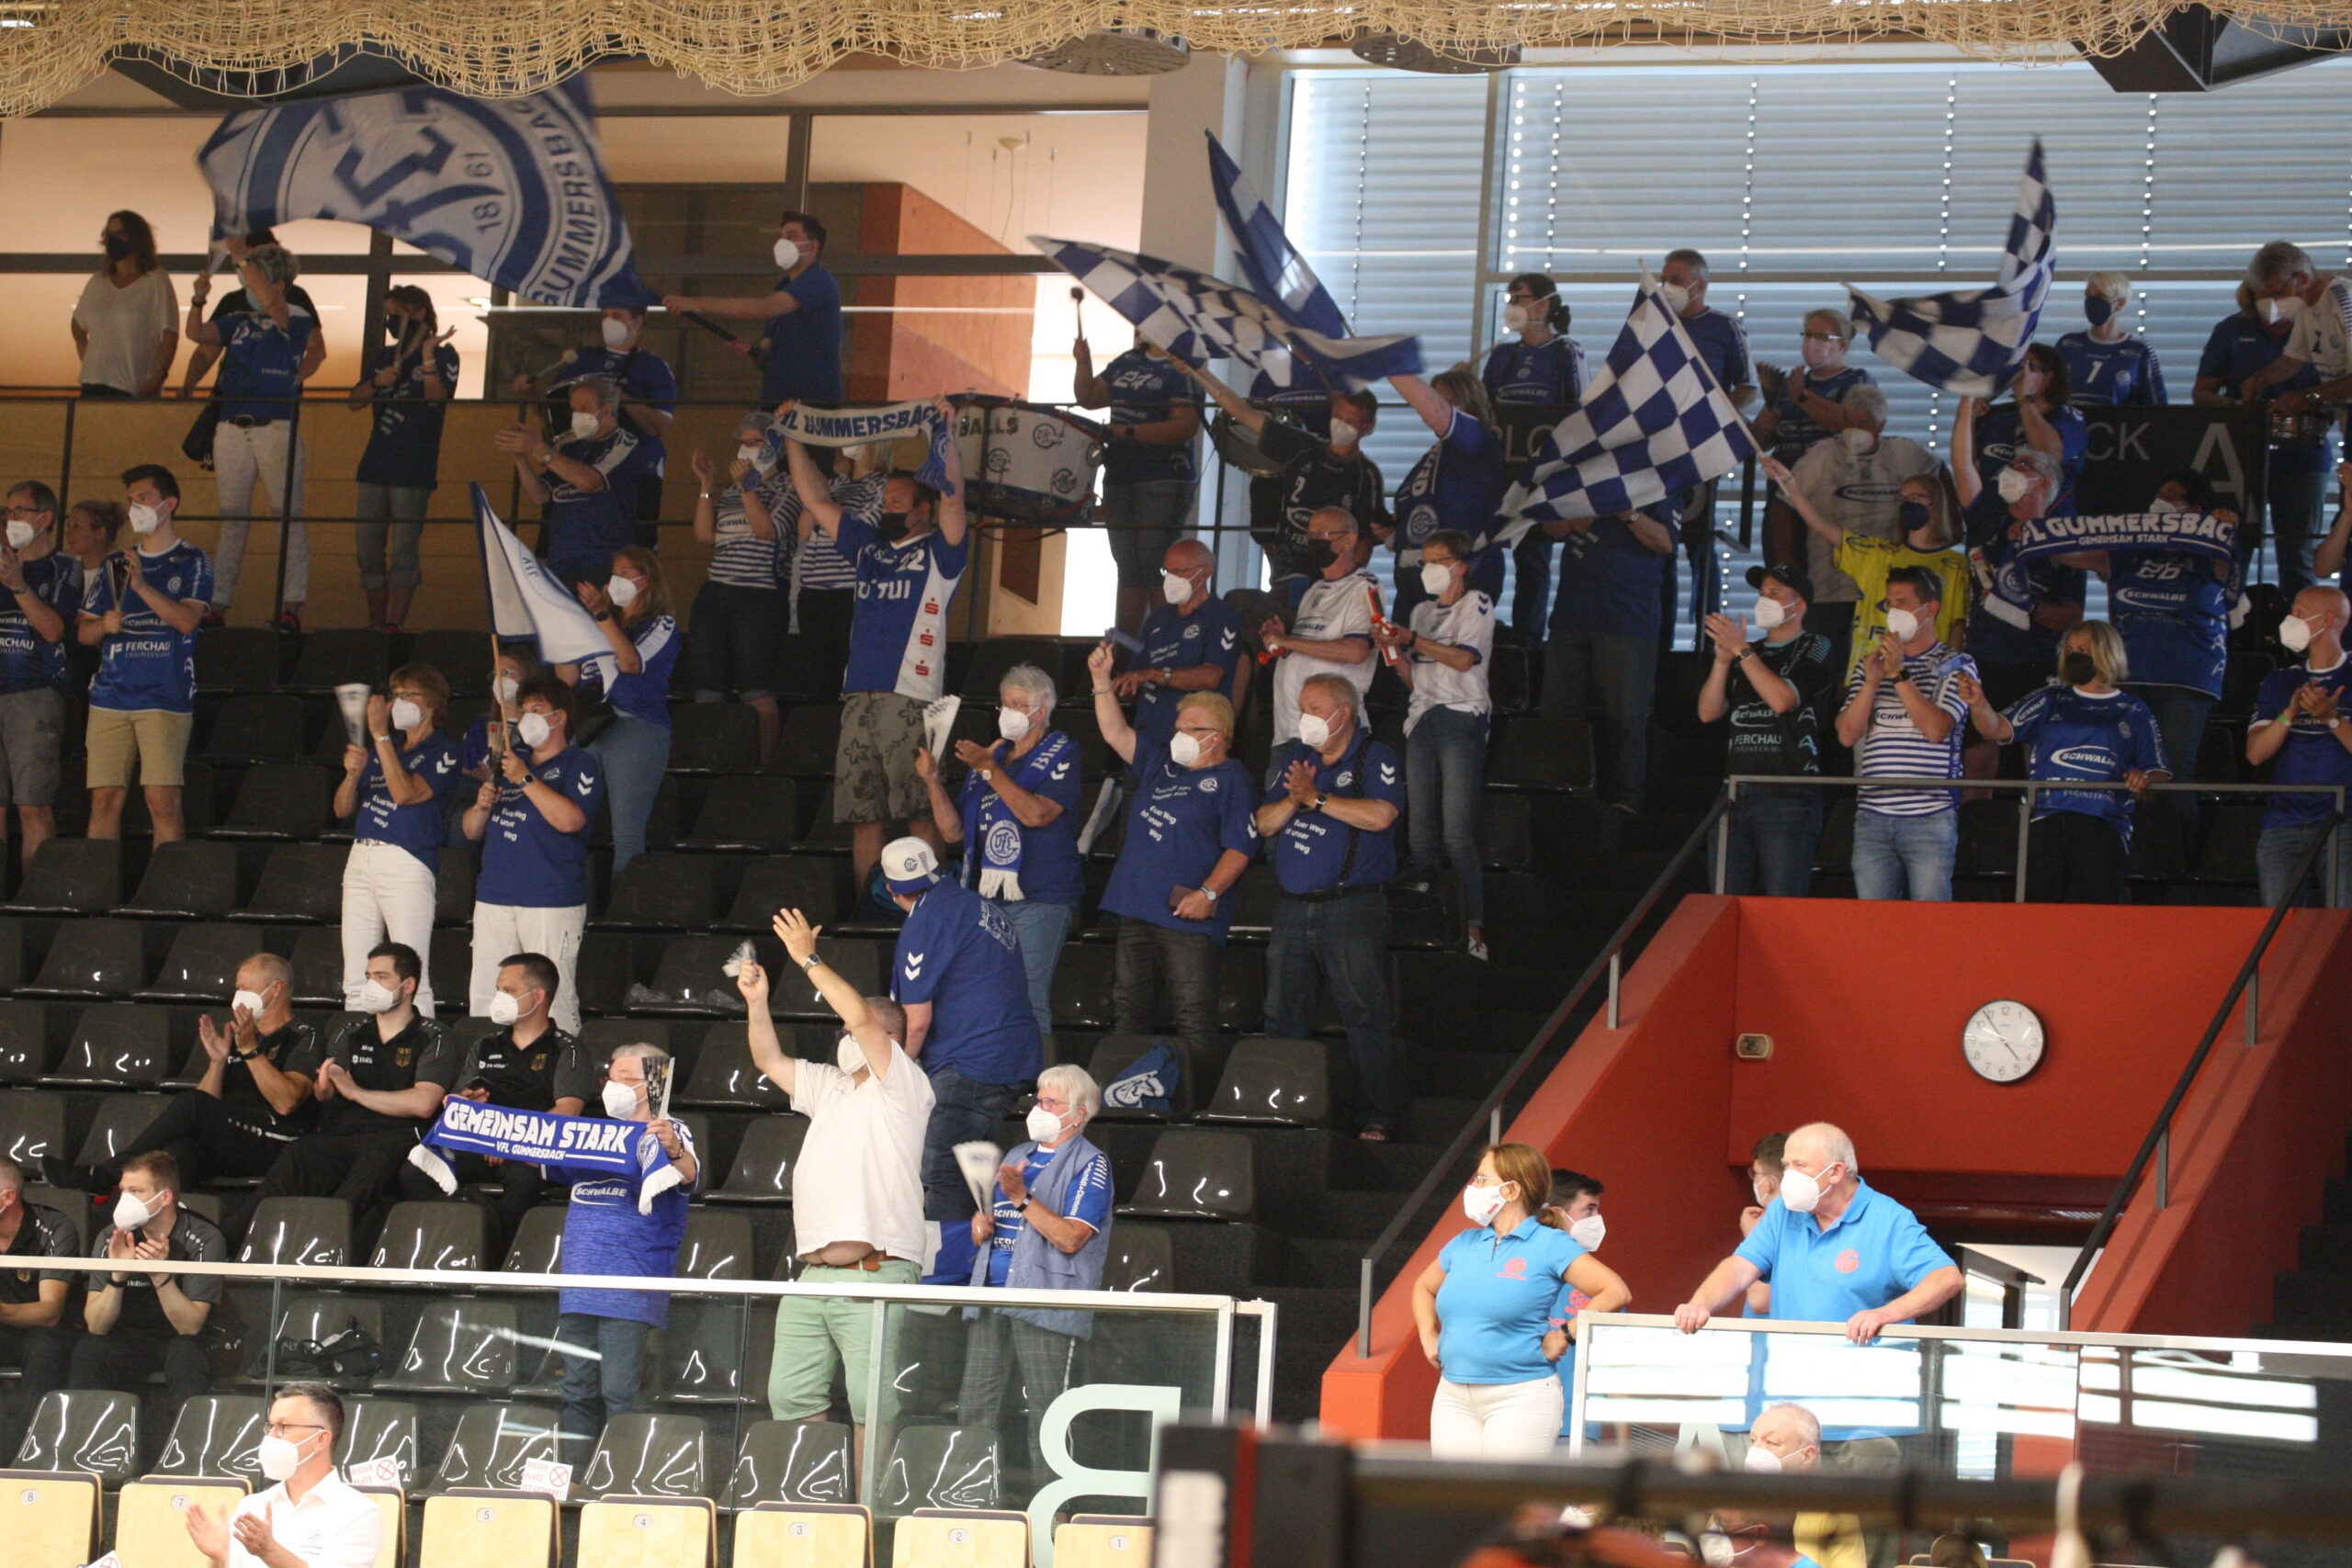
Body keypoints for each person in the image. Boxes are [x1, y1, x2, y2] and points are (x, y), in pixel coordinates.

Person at [749, 910, 931, 1456]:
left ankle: (865, 1504)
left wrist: (808, 959)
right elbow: (767, 1058)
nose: (845, 1038)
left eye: (851, 1031)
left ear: (888, 1038)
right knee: (791, 1396)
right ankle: (812, 1497)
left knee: (871, 1404)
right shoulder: (829, 1085)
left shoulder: (904, 1085)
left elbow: (861, 1021)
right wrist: (757, 1001)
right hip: (813, 1275)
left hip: (877, 1272)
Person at [783, 400, 969, 898]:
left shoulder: (940, 553)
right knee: (863, 815)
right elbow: (816, 497)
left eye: (897, 501)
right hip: (858, 695)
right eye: (884, 500)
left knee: (918, 810)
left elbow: (954, 497)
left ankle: (934, 909)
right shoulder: (869, 548)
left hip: (910, 695)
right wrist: (793, 435)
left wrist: (944, 437)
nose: (886, 507)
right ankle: (867, 908)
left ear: (922, 510)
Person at [878, 836, 1045, 1285]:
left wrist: (890, 1081)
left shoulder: (925, 921)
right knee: (972, 1178)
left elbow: (915, 1023)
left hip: (970, 1062)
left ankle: (942, 1286)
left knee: (942, 1173)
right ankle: (976, 1278)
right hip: (1009, 1056)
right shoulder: (978, 906)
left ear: (891, 890)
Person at [1089, 650, 1259, 1059]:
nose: (1178, 734)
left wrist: (1208, 894)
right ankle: (1124, 1090)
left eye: (1190, 728)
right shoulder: (1161, 764)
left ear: (1217, 735)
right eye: (1177, 727)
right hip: (1136, 906)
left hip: (1186, 914)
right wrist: (1100, 681)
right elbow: (1116, 733)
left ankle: (1196, 1094)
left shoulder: (1232, 778)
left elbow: (1242, 846)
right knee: (1128, 1010)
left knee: (1192, 1015)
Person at [1256, 673, 1405, 1139]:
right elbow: (1264, 824)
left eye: (1316, 708)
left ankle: (1376, 1116)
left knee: (1363, 1011)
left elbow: (1381, 815)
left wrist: (1316, 799)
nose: (1307, 717)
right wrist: (1295, 799)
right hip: (1292, 908)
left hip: (1351, 907)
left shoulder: (1375, 756)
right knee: (1282, 1013)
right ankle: (1282, 1113)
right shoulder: (1297, 759)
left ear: (1345, 713)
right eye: (1303, 708)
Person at [1411, 1144, 1621, 1461]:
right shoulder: (1464, 1243)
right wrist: (1428, 1334)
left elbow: (1614, 1291)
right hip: (1453, 1392)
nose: (1474, 1187)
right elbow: (1423, 1288)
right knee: (1455, 1490)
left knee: (1504, 1491)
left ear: (1511, 1190)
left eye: (1482, 1180)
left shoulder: (1550, 1243)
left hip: (1521, 1394)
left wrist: (1563, 1335)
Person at [2061, 471, 2238, 843]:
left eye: (2171, 496)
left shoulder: (2210, 546)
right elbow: (2070, 552)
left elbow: (2226, 574)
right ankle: (2126, 851)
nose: (2160, 502)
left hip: (2185, 677)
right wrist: (2032, 533)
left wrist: (2223, 533)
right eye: (2158, 494)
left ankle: (2177, 859)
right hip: (2127, 675)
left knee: (2170, 772)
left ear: (2195, 508)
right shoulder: (2132, 547)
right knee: (2121, 769)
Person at [42, 953, 318, 1194]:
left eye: (245, 988)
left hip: (274, 1142)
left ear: (276, 989)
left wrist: (250, 1050)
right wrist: (217, 1063)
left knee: (190, 1103)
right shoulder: (243, 1036)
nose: (238, 996)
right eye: (237, 988)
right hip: (232, 1139)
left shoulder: (304, 1036)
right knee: (176, 1156)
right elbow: (206, 1104)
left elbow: (286, 1102)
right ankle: (144, 1225)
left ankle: (107, 1174)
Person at [547, 1043, 698, 1467]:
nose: (614, 1086)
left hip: (630, 1284)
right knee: (575, 1389)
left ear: (654, 1083)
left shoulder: (670, 1129)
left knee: (620, 1391)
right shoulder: (589, 1134)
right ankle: (576, 1477)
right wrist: (473, 1119)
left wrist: (673, 1149)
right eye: (610, 1078)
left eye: (626, 1078)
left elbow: (689, 1174)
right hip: (578, 1281)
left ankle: (627, 1477)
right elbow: (535, 1150)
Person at [960, 1062, 1114, 1471]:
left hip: (1045, 1301)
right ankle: (969, 1497)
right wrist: (982, 1228)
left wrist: (1022, 1199)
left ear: (1078, 1113)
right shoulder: (1018, 1155)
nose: (1038, 1108)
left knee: (1049, 1412)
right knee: (975, 1405)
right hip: (991, 1296)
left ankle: (1053, 1503)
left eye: (1050, 1102)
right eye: (1038, 1099)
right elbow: (1001, 1225)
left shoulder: (1091, 1163)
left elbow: (1071, 1237)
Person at [1673, 1122, 1962, 1342]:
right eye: (1787, 1166)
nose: (1789, 1176)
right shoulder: (1783, 1212)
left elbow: (1946, 1278)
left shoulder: (1888, 1219)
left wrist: (1885, 1315)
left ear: (1836, 1172)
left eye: (1800, 1166)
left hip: (1865, 1382)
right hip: (1790, 1377)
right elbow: (1739, 1268)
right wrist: (1700, 1304)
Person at [254, 943, 455, 1255]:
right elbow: (328, 1090)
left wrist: (357, 1092)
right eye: (369, 976)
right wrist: (325, 1087)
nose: (371, 985)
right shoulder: (349, 1031)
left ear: (408, 985)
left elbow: (424, 1103)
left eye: (382, 977)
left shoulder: (434, 1035)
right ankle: (240, 1239)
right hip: (345, 1134)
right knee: (300, 1153)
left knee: (374, 1163)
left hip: (399, 1138)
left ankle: (319, 1246)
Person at [916, 663, 1082, 1036]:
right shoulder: (992, 757)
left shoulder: (1061, 753)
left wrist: (989, 770)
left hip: (1040, 895)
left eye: (1018, 704)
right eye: (1004, 703)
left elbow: (1037, 814)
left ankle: (1036, 1072)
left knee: (1027, 995)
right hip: (985, 898)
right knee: (984, 994)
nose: (1007, 712)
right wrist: (932, 782)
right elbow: (953, 832)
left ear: (1041, 710)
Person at [1958, 621, 2168, 904]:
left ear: (2107, 652)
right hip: (2046, 818)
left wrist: (2144, 778)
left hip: (2104, 822)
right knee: (2040, 911)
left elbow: (2158, 769)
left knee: (2098, 912)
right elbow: (1995, 729)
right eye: (2069, 650)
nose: (2074, 656)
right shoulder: (2050, 698)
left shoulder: (2134, 710)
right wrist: (1978, 703)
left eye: (2083, 650)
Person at [400, 953, 588, 1258]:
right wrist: (460, 1102)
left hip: (530, 1151)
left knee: (523, 1181)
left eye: (509, 990)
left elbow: (569, 1110)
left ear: (538, 995)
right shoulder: (485, 1045)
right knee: (416, 1171)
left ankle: (498, 1260)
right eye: (499, 989)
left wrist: (509, 1141)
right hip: (480, 1143)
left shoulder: (567, 1049)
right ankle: (467, 1232)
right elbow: (458, 1100)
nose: (500, 997)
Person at [183, 242, 318, 629]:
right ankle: (218, 605)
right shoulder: (239, 319)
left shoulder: (296, 315)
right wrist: (198, 299)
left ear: (277, 284)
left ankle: (291, 605)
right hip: (231, 425)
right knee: (232, 518)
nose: (245, 284)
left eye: (253, 277)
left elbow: (276, 308)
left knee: (285, 514)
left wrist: (242, 258)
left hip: (276, 425)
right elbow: (197, 333)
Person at [1374, 528, 1496, 958]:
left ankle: (1473, 931)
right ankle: (1428, 925)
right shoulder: (1421, 611)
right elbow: (1415, 678)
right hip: (1421, 717)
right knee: (1420, 837)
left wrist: (1410, 639)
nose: (1428, 570)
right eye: (1423, 562)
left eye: (1437, 562)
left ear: (1459, 566)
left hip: (1461, 715)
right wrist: (1393, 652)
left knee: (1456, 835)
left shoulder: (1476, 602)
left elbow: (1464, 659)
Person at [463, 675, 603, 1032]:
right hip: (494, 894)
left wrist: (526, 779)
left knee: (554, 997)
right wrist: (481, 807)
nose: (527, 718)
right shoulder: (509, 761)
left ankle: (561, 1064)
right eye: (524, 710)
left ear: (560, 716)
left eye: (537, 710)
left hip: (549, 898)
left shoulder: (579, 763)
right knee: (488, 993)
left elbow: (571, 821)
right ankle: (488, 1060)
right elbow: (471, 832)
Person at [81, 463, 210, 844]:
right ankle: (99, 881)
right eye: (131, 499)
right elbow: (84, 633)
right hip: (109, 695)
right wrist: (102, 626)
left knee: (162, 800)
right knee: (104, 799)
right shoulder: (113, 563)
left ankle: (166, 882)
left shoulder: (193, 559)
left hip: (164, 696)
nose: (135, 506)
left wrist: (141, 586)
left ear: (169, 504)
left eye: (143, 498)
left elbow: (187, 621)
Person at [1772, 386, 1940, 675]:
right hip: (1829, 587)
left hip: (1885, 593)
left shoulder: (1904, 453)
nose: (1854, 429)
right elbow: (1783, 505)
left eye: (1863, 423)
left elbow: (1939, 484)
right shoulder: (1822, 454)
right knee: (1822, 671)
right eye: (1848, 421)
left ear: (1880, 426)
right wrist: (1788, 569)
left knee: (1881, 670)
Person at [1835, 568, 1974, 901]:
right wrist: (1871, 682)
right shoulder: (1870, 664)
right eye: (1890, 603)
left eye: (1903, 602)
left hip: (1929, 815)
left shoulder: (1955, 663)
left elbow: (1937, 730)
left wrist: (1898, 673)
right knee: (1874, 920)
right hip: (1872, 814)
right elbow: (1847, 735)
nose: (1894, 611)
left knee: (1928, 920)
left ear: (1930, 608)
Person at [1698, 565, 1838, 897]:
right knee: (1725, 899)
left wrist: (1742, 651)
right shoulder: (1749, 652)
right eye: (1761, 594)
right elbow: (1708, 712)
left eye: (1774, 594)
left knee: (1782, 901)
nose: (1764, 600)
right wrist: (1722, 661)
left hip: (1788, 790)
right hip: (1735, 788)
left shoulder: (1815, 645)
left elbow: (1782, 699)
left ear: (1799, 605)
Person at [1187, 364, 1387, 592]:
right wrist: (1200, 372)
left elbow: (1365, 541)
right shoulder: (1301, 446)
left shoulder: (1366, 474)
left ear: (1368, 427)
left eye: (1350, 422)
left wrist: (1348, 585)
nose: (1341, 425)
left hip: (1334, 576)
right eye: (1338, 417)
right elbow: (1242, 412)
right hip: (1289, 568)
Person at [2198, 270, 2334, 597]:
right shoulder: (2231, 330)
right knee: (2233, 546)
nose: (2273, 303)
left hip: (2304, 453)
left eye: (2280, 294)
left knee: (2297, 551)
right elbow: (2202, 394)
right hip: (2241, 452)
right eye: (2265, 295)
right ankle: (2228, 622)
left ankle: (2300, 626)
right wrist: (2241, 406)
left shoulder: (2318, 325)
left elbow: (2335, 390)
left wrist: (2305, 402)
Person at [334, 665, 461, 1016]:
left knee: (412, 971)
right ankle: (356, 1042)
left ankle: (422, 1044)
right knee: (356, 974)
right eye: (396, 695)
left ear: (432, 703)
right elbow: (342, 808)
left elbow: (405, 794)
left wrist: (380, 735)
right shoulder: (385, 749)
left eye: (409, 694)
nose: (399, 702)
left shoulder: (444, 750)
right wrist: (352, 775)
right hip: (362, 856)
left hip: (406, 860)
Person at [1539, 502, 1679, 817]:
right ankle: (1556, 794)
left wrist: (1627, 511)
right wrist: (1574, 519)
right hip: (1570, 617)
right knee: (1557, 714)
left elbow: (1665, 542)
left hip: (1627, 621)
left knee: (1625, 716)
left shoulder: (1656, 485)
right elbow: (1548, 527)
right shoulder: (1583, 481)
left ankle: (1625, 800)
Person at [70, 1151, 224, 1419]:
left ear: (164, 1197)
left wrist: (160, 1276)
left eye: (136, 1191)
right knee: (90, 1348)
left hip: (179, 1340)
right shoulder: (111, 1237)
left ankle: (186, 1439)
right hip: (129, 1336)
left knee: (186, 1351)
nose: (125, 1200)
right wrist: (118, 1275)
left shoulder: (204, 1238)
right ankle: (84, 1436)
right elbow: (96, 1324)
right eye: (123, 1191)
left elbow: (190, 1326)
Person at [1952, 413, 2086, 712]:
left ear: (2044, 482)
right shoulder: (1988, 522)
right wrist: (1967, 402)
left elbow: (2071, 616)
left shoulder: (2064, 540)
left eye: (2022, 467)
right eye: (2009, 467)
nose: (2010, 472)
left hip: (2036, 664)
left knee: (2030, 741)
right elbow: (1962, 467)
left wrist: (2027, 606)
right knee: (1979, 741)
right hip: (1981, 661)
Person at [347, 285, 458, 633]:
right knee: (367, 551)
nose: (391, 320)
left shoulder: (444, 354)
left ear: (419, 312)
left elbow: (436, 399)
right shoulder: (384, 355)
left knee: (404, 552)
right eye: (388, 314)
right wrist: (377, 383)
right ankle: (375, 624)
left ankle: (394, 625)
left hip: (414, 467)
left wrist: (427, 355)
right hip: (375, 464)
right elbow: (354, 401)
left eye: (397, 313)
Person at [1074, 331, 1202, 633]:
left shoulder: (1181, 367)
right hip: (1120, 475)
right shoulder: (1126, 361)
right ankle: (1126, 648)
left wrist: (1129, 433)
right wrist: (1083, 362)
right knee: (1128, 566)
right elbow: (1088, 398)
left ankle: (1167, 642)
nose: (1139, 327)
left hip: (1163, 475)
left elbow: (1185, 426)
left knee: (1155, 563)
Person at [513, 304, 677, 537]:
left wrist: (619, 396)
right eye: (605, 316)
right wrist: (531, 394)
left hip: (634, 469)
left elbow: (660, 426)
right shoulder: (583, 359)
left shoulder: (653, 366)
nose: (609, 321)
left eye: (617, 315)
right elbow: (553, 412)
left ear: (638, 321)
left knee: (631, 540)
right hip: (577, 458)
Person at [1481, 274, 1584, 640]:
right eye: (1510, 299)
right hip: (1500, 471)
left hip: (1540, 475)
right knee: (1484, 552)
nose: (1513, 306)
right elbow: (1484, 411)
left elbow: (1577, 413)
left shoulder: (1565, 352)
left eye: (1520, 298)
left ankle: (1528, 641)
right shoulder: (1502, 355)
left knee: (1532, 559)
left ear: (1544, 304)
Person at [564, 546, 677, 878]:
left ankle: (621, 905)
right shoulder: (597, 624)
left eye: (625, 573)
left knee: (626, 834)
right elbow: (568, 679)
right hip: (588, 728)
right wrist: (565, 631)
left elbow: (630, 663)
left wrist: (603, 617)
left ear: (646, 579)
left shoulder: (660, 623)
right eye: (614, 573)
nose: (616, 580)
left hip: (634, 726)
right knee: (565, 823)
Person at [1660, 249, 1758, 630]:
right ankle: (1661, 631)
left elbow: (1748, 387)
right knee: (1661, 540)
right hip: (1657, 446)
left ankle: (1709, 630)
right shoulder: (1653, 323)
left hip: (1703, 446)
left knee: (1698, 539)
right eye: (1664, 278)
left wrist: (1712, 419)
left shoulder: (1723, 326)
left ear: (1699, 285)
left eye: (1676, 280)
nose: (1667, 286)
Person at [183, 1382, 380, 1568]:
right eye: (270, 1427)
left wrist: (270, 1551)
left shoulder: (358, 1512)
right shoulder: (252, 1506)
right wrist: (219, 1558)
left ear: (321, 1439)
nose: (271, 1436)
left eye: (284, 1427)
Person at [687, 413, 791, 762]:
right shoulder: (733, 490)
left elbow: (767, 531)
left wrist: (749, 487)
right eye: (743, 443)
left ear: (775, 446)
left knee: (756, 688)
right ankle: (708, 760)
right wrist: (707, 483)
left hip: (759, 595)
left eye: (755, 442)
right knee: (707, 686)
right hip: (716, 590)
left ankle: (765, 765)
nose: (747, 449)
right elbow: (705, 534)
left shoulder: (787, 486)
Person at [665, 210, 843, 407]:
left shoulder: (819, 281)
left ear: (813, 246)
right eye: (781, 237)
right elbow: (766, 360)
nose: (782, 243)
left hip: (811, 407)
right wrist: (753, 352)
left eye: (792, 236)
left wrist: (696, 303)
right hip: (776, 402)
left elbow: (761, 309)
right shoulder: (783, 289)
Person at [2246, 586, 2352, 908]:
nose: (2290, 619)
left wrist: (2331, 718)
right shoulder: (2279, 681)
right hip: (2283, 822)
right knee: (2279, 926)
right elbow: (2255, 754)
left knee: (2342, 925)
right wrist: (2289, 713)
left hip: (2345, 822)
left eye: (2300, 613)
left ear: (2328, 619)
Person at [496, 377, 654, 588]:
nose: (577, 414)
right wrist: (521, 458)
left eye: (584, 408)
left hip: (603, 561)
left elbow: (590, 482)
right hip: (560, 561)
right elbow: (540, 496)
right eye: (574, 409)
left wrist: (538, 448)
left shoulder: (625, 442)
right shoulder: (567, 447)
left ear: (606, 409)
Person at [1380, 367, 1510, 621]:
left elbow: (1437, 413)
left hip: (1460, 572)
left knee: (1447, 646)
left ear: (1466, 402)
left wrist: (1389, 364)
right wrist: (1392, 528)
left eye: (1444, 399)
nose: (1433, 405)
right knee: (1403, 645)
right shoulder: (1438, 452)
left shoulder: (1476, 439)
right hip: (1414, 576)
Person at [0, 480, 83, 871]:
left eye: (20, 511)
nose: (11, 518)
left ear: (45, 518)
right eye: (8, 512)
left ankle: (35, 896)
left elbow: (53, 629)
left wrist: (18, 585)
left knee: (32, 805)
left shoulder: (65, 567)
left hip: (34, 692)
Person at [1260, 506, 1379, 754]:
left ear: (1348, 540)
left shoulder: (1363, 587)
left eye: (1322, 534)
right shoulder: (1313, 590)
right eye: (1311, 534)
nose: (1314, 541)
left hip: (1329, 733)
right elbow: (1310, 647)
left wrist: (1289, 641)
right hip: (1288, 728)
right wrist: (1282, 645)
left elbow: (1356, 651)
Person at [780, 438, 885, 702]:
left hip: (850, 591)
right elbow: (804, 532)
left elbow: (860, 529)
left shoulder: (882, 485)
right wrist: (815, 494)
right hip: (813, 590)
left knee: (849, 674)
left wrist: (823, 501)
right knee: (817, 679)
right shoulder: (837, 483)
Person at [1116, 537, 1243, 746]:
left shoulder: (1222, 616)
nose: (1170, 579)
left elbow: (1211, 677)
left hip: (1195, 739)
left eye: (1178, 572)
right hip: (1148, 735)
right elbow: (1135, 679)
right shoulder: (1157, 619)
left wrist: (1153, 674)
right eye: (1166, 571)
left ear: (1205, 573)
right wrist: (1118, 683)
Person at [1541, 1168, 1630, 1445]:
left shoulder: (1605, 1289)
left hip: (1577, 1429)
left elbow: (1614, 1370)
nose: (1597, 1220)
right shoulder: (1518, 1273)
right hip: (1517, 1420)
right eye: (1589, 1210)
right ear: (1556, 1214)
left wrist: (1623, 1446)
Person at [178, 231, 322, 399]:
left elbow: (316, 348)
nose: (243, 268)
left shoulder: (296, 302)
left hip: (275, 402)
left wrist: (292, 380)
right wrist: (188, 385)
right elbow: (205, 348)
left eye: (248, 262)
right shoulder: (234, 304)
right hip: (230, 398)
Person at [1963, 345, 2088, 520]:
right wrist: (1969, 416)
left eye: (2029, 366)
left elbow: (2050, 454)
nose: (2020, 374)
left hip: (2047, 522)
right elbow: (1967, 467)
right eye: (2016, 367)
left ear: (2048, 377)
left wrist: (2025, 398)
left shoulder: (2067, 417)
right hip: (1994, 521)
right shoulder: (2000, 420)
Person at [2239, 241, 2352, 419]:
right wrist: (2260, 378)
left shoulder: (2345, 301)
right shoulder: (2304, 308)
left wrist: (2307, 397)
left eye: (2278, 294)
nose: (2274, 305)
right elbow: (2293, 359)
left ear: (2302, 279)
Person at [72, 209, 176, 399]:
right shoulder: (99, 281)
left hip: (134, 387)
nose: (113, 240)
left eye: (120, 234)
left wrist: (158, 377)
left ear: (137, 238)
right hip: (92, 385)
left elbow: (169, 335)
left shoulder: (156, 280)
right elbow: (78, 327)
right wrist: (90, 362)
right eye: (109, 234)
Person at [0, 1156, 77, 1408]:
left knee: (44, 1346)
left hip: (45, 1333)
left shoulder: (54, 1228)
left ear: (7, 1197)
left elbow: (50, 1313)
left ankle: (33, 1430)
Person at [2058, 273, 2165, 407]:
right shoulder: (2067, 344)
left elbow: (2155, 404)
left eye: (2101, 296)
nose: (2092, 302)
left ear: (2120, 303)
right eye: (2088, 296)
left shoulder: (2139, 350)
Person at [1741, 1133, 1786, 1316]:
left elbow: (1760, 1301)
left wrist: (1752, 1236)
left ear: (1769, 1183)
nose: (1754, 1180)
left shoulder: (1788, 1226)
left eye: (1756, 1173)